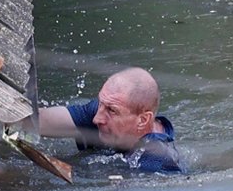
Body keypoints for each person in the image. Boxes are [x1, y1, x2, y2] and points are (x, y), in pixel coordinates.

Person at [38, 67, 183, 173]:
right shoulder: (103, 109)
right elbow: (37, 122)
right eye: (101, 103)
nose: (97, 119)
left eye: (112, 110)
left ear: (143, 120)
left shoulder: (157, 160)